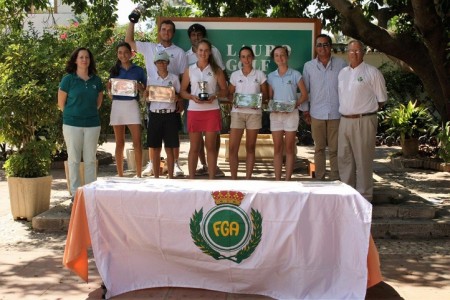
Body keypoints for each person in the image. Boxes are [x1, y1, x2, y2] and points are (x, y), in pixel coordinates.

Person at [125, 19, 187, 177]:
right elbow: (129, 41)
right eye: (163, 29)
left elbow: (180, 78)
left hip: (171, 103)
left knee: (172, 139)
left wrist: (179, 100)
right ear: (159, 32)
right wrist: (132, 22)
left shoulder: (179, 52)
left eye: (169, 30)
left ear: (173, 33)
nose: (166, 32)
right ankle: (153, 165)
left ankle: (174, 166)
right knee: (154, 139)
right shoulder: (149, 47)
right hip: (153, 100)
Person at [337, 40, 387, 201]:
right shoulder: (342, 73)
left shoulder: (372, 72)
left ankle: (364, 198)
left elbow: (381, 100)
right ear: (347, 53)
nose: (354, 54)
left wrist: (364, 111)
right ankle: (347, 196)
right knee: (344, 159)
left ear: (363, 52)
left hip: (364, 120)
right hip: (344, 120)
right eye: (351, 51)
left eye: (358, 51)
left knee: (363, 160)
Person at [57, 47, 103, 197]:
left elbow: (98, 103)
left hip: (92, 124)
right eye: (81, 57)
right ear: (75, 60)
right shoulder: (68, 80)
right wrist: (74, 115)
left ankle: (91, 192)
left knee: (90, 159)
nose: (84, 60)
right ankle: (74, 193)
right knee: (74, 159)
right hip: (72, 125)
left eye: (87, 57)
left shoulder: (96, 80)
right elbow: (61, 104)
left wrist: (86, 114)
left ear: (90, 61)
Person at [180, 39, 228, 179]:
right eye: (201, 50)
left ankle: (211, 179)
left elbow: (225, 91)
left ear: (210, 52)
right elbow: (182, 91)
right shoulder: (190, 70)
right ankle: (192, 179)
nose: (203, 53)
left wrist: (215, 95)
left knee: (211, 148)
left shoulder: (216, 70)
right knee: (194, 148)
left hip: (212, 111)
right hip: (194, 111)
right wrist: (191, 97)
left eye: (206, 50)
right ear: (196, 52)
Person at [302, 34, 347, 181]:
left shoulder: (341, 64)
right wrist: (305, 110)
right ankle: (319, 179)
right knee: (319, 148)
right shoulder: (309, 66)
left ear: (331, 47)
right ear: (316, 48)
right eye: (319, 45)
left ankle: (335, 178)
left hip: (336, 113)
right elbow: (305, 91)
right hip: (316, 113)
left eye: (325, 44)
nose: (322, 48)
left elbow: (346, 89)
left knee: (335, 149)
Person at [267, 46, 308, 181]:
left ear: (287, 56)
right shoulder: (271, 76)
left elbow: (304, 95)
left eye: (282, 55)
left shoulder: (295, 74)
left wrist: (293, 105)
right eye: (277, 55)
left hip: (291, 115)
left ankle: (287, 180)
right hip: (276, 116)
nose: (280, 58)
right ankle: (278, 180)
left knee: (289, 148)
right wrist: (272, 106)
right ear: (274, 59)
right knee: (278, 148)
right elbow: (270, 98)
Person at [228, 46, 268, 179]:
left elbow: (265, 95)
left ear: (253, 57)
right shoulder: (235, 75)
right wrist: (235, 100)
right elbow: (229, 94)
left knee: (250, 147)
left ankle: (248, 179)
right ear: (240, 59)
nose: (246, 59)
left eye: (249, 56)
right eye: (243, 56)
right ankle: (234, 179)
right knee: (233, 148)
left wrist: (258, 101)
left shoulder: (260, 75)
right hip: (237, 114)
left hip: (254, 115)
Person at [107, 42, 147, 178]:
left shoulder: (139, 70)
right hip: (117, 105)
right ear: (117, 54)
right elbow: (110, 91)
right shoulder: (113, 70)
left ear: (131, 54)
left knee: (137, 141)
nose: (122, 55)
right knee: (119, 142)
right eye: (119, 52)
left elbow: (145, 91)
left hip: (132, 105)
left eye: (125, 52)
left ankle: (139, 174)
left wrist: (139, 88)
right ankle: (120, 174)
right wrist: (109, 90)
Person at [146, 51, 181, 178]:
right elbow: (147, 96)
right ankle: (156, 177)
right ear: (155, 63)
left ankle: (170, 176)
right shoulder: (151, 78)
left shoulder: (174, 78)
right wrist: (146, 96)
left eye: (164, 61)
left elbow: (179, 95)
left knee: (170, 148)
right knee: (155, 148)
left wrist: (176, 97)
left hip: (170, 115)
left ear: (168, 63)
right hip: (155, 115)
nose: (161, 64)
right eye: (159, 61)